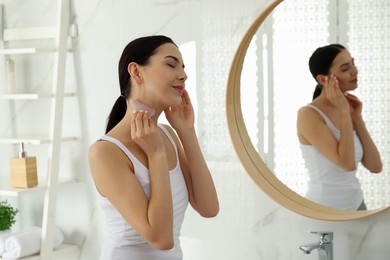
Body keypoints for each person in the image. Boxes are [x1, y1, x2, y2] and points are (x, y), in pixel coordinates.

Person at [88, 35, 219, 260]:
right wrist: (156, 154)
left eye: (183, 67)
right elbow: (161, 239)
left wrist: (187, 132)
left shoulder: (168, 135)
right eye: (171, 64)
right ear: (137, 72)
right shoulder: (105, 152)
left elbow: (208, 208)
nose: (183, 75)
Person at [297, 44, 382, 211]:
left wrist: (356, 118)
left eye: (353, 63)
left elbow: (375, 166)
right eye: (345, 68)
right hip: (324, 210)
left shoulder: (349, 109)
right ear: (323, 79)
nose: (354, 71)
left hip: (357, 206)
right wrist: (344, 111)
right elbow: (347, 163)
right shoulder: (308, 115)